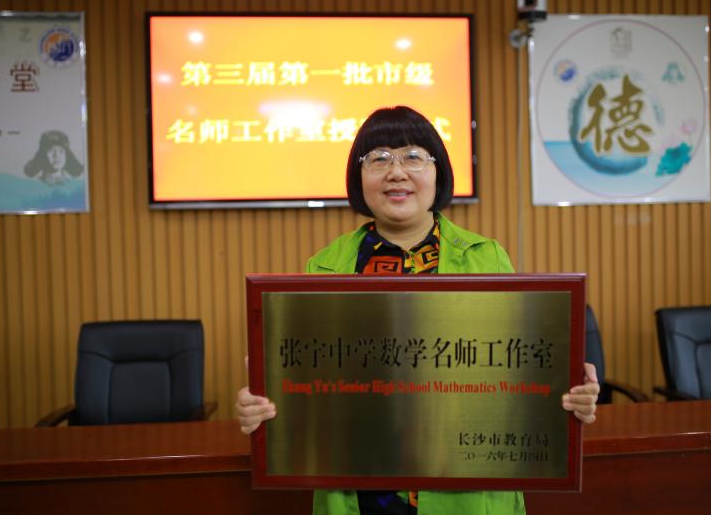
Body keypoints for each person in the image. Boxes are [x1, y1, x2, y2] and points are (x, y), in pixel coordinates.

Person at [237, 106, 600, 515]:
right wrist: (264, 405)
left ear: (438, 171)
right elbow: (306, 397)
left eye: (413, 156)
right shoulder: (324, 267)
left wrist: (568, 391)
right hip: (359, 492)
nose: (396, 172)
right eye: (378, 158)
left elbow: (521, 377)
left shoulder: (487, 258)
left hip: (466, 490)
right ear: (359, 177)